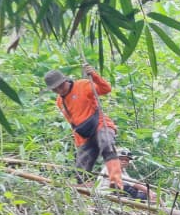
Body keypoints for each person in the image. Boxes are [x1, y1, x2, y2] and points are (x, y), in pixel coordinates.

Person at [45, 64, 145, 199]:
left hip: (100, 125)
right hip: (85, 135)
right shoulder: (60, 101)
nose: (59, 90)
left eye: (60, 86)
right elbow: (73, 122)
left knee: (106, 143)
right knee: (81, 165)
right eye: (55, 89)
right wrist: (80, 143)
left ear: (65, 81)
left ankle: (116, 181)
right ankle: (85, 194)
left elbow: (106, 89)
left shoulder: (82, 85)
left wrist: (95, 76)